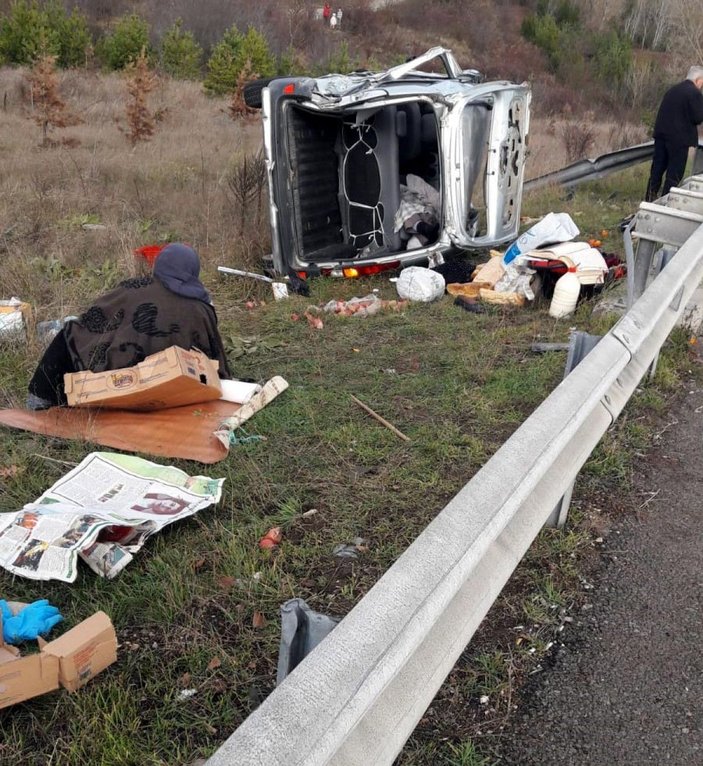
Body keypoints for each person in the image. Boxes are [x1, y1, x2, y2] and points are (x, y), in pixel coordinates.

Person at [27, 243, 231, 409]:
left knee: (71, 333)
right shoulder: (203, 307)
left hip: (122, 382)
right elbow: (213, 352)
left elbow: (93, 319)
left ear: (160, 265)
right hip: (180, 385)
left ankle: (42, 397)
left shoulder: (135, 288)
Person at [646, 66, 703, 202]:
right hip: (679, 140)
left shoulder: (673, 90)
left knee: (657, 170)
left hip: (661, 135)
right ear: (698, 80)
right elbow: (698, 117)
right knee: (674, 174)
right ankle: (665, 202)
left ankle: (649, 198)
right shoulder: (694, 93)